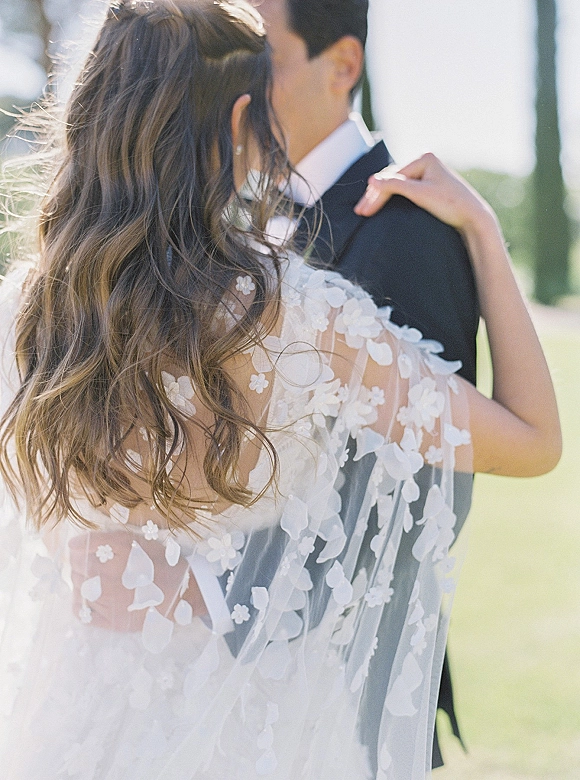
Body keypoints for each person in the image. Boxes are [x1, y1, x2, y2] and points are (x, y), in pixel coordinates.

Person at [0, 2, 560, 780]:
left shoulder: (28, 309)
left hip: (69, 719)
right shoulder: (291, 313)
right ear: (238, 118)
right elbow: (532, 440)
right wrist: (484, 234)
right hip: (250, 729)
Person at [253, 0, 478, 766]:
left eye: (262, 59)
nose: (236, 90)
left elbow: (426, 481)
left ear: (342, 63)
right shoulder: (254, 216)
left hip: (348, 689)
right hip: (255, 676)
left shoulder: (408, 226)